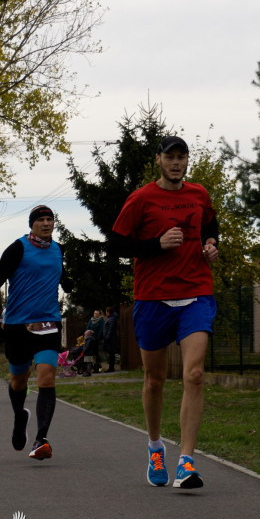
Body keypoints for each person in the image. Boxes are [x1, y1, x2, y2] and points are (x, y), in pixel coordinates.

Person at [109, 135, 219, 489]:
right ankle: (156, 447)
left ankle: (186, 461)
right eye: (169, 157)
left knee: (195, 374)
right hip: (153, 298)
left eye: (181, 157)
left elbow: (210, 224)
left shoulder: (199, 194)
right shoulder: (141, 198)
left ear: (187, 161)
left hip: (195, 292)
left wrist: (211, 244)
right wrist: (155, 245)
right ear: (158, 160)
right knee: (155, 381)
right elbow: (118, 244)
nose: (175, 163)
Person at [0, 205, 73, 460]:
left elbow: (59, 274)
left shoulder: (58, 249)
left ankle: (41, 439)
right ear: (32, 224)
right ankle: (19, 418)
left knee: (47, 377)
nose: (46, 224)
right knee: (18, 380)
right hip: (18, 326)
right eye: (41, 220)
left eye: (50, 220)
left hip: (48, 323)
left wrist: (67, 282)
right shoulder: (17, 249)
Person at [103, 306, 119, 372]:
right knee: (111, 353)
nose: (106, 313)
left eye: (106, 312)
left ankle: (111, 368)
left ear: (109, 312)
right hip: (110, 338)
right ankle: (111, 367)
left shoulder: (111, 319)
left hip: (110, 339)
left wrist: (107, 337)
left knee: (111, 353)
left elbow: (110, 329)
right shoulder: (110, 318)